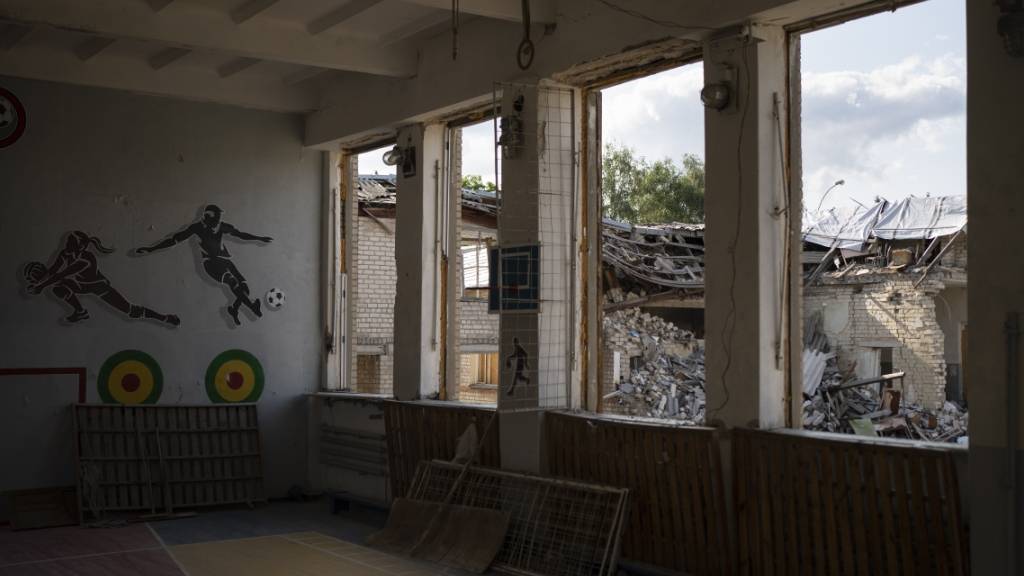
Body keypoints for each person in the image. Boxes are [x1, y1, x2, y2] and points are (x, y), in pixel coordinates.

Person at [135, 205, 271, 325]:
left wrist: (258, 238)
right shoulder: (197, 228)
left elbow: (240, 234)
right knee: (232, 282)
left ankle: (233, 310)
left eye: (218, 219)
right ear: (206, 218)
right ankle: (252, 307)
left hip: (225, 261)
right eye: (215, 219)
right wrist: (151, 249)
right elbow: (174, 240)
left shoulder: (221, 226)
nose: (217, 222)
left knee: (244, 288)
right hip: (211, 264)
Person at [25, 231, 179, 326]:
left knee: (131, 311)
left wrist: (40, 286)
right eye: (67, 242)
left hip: (99, 287)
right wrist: (39, 280)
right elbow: (53, 271)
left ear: (80, 247)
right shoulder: (66, 253)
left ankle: (164, 318)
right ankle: (80, 312)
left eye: (70, 243)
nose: (66, 245)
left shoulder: (86, 259)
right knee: (58, 287)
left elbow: (61, 274)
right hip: (79, 284)